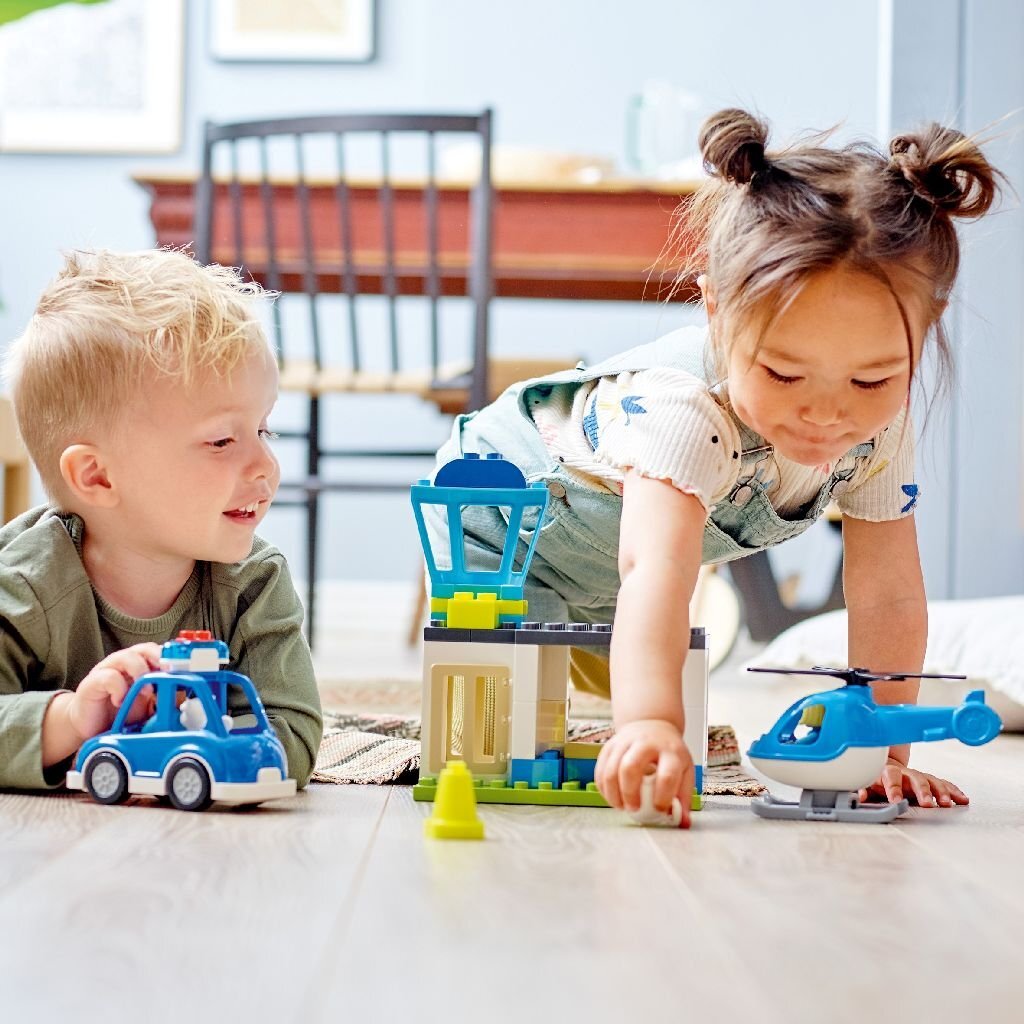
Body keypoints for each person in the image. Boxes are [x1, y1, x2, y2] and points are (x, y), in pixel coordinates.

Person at [424, 108, 1002, 826]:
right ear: (717, 312)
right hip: (504, 510)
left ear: (927, 326)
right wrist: (649, 722)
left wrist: (883, 751)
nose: (828, 416)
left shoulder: (881, 432)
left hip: (610, 565)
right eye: (785, 376)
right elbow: (657, 573)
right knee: (521, 728)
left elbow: (887, 592)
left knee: (626, 678)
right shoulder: (683, 409)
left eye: (871, 381)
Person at [0, 248, 322, 791]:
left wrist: (190, 738)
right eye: (222, 440)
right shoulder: (25, 587)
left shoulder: (254, 582)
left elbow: (295, 732)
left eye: (263, 430)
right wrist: (73, 720)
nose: (266, 465)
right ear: (98, 478)